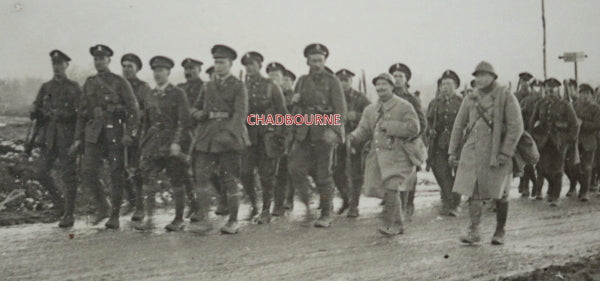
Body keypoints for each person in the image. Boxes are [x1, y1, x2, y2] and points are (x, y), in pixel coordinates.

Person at [448, 61, 524, 245]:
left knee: (500, 194)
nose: (480, 79)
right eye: (477, 76)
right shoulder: (470, 98)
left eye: (484, 75)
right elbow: (459, 125)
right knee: (472, 191)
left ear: (493, 77)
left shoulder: (505, 96)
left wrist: (505, 153)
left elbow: (516, 127)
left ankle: (500, 230)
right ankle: (474, 230)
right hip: (473, 151)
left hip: (496, 153)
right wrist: (452, 151)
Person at [70, 44, 140, 229]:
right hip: (94, 134)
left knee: (116, 174)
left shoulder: (119, 82)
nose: (98, 62)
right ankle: (103, 206)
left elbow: (134, 111)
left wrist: (130, 134)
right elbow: (82, 113)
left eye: (102, 59)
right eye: (96, 59)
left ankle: (114, 215)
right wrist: (78, 138)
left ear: (109, 60)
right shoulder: (90, 83)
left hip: (115, 133)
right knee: (88, 172)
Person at [347, 73, 420, 235]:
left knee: (392, 187)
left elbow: (415, 127)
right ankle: (398, 223)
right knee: (388, 190)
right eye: (378, 85)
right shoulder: (371, 109)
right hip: (378, 156)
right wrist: (352, 137)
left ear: (392, 86)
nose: (380, 87)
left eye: (384, 84)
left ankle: (391, 224)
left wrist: (391, 126)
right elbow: (364, 129)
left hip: (398, 154)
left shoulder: (404, 106)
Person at [188, 44, 250, 234]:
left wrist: (228, 134)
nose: (218, 66)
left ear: (230, 64)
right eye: (216, 62)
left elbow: (241, 114)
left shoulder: (238, 86)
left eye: (222, 62)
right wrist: (199, 114)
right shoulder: (207, 86)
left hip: (229, 138)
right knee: (202, 177)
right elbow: (195, 108)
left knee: (230, 179)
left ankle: (233, 221)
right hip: (207, 137)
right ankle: (205, 220)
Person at [288, 43, 346, 228]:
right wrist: (294, 104)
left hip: (324, 130)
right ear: (307, 61)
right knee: (295, 168)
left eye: (320, 60)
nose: (317, 63)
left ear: (325, 60)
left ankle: (326, 213)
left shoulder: (332, 81)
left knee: (323, 174)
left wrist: (334, 130)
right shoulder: (302, 81)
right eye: (313, 60)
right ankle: (310, 199)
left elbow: (341, 110)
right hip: (304, 130)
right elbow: (296, 107)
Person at [133, 56, 192, 231]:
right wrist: (143, 144)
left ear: (168, 72)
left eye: (161, 71)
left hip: (172, 143)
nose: (157, 74)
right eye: (155, 71)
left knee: (176, 179)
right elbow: (146, 122)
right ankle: (149, 218)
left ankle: (179, 219)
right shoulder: (150, 94)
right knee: (148, 178)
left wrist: (177, 143)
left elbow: (184, 121)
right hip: (153, 144)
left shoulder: (177, 93)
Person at [31, 50, 81, 227]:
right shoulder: (46, 87)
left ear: (66, 66)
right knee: (41, 173)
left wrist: (77, 138)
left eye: (60, 64)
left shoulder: (74, 87)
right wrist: (35, 110)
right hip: (49, 137)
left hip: (67, 137)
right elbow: (36, 105)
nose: (57, 68)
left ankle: (69, 213)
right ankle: (60, 204)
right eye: (54, 64)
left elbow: (81, 114)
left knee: (69, 176)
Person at [240, 52, 287, 223]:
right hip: (247, 136)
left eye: (252, 64)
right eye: (246, 65)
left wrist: (279, 136)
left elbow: (283, 113)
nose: (249, 68)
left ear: (260, 66)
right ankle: (254, 204)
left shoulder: (270, 86)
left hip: (267, 136)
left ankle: (266, 210)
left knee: (266, 174)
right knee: (244, 173)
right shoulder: (241, 87)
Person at [529, 78, 578, 206]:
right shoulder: (540, 104)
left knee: (558, 169)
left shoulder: (565, 104)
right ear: (545, 89)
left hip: (559, 142)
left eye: (554, 87)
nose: (551, 89)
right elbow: (532, 122)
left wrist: (568, 139)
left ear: (557, 89)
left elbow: (575, 124)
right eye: (548, 87)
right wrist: (534, 136)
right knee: (542, 169)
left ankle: (556, 197)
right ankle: (552, 188)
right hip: (544, 142)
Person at [388, 63, 427, 217]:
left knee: (410, 175)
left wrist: (412, 137)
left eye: (400, 76)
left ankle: (409, 203)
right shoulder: (386, 97)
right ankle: (394, 205)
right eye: (395, 76)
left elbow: (422, 123)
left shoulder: (412, 99)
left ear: (406, 79)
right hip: (391, 143)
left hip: (408, 143)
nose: (397, 79)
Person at [333, 69, 370, 217]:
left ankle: (354, 206)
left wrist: (357, 115)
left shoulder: (360, 98)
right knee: (336, 171)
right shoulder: (332, 98)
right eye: (340, 80)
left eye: (346, 80)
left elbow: (373, 114)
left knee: (356, 172)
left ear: (350, 81)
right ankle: (346, 198)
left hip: (356, 139)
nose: (343, 84)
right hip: (337, 138)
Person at [426, 70, 462, 217]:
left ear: (455, 86)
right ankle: (449, 199)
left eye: (448, 84)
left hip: (458, 143)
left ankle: (455, 203)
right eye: (443, 84)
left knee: (458, 173)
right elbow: (428, 122)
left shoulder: (461, 102)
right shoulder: (435, 103)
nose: (445, 87)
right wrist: (430, 131)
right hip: (439, 143)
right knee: (440, 171)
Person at [121, 53, 151, 219]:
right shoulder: (117, 85)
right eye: (124, 66)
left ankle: (140, 207)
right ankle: (131, 202)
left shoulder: (143, 87)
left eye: (130, 66)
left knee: (137, 170)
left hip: (138, 132)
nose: (126, 69)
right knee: (121, 169)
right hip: (119, 132)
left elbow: (148, 110)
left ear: (137, 69)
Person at [564, 84, 600, 202]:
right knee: (571, 166)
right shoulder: (574, 106)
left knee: (587, 167)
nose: (584, 96)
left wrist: (582, 123)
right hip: (575, 141)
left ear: (591, 95)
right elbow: (569, 121)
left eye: (587, 94)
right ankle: (573, 187)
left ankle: (584, 192)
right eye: (582, 93)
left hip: (589, 142)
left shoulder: (596, 109)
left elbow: (597, 124)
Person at [518, 78, 543, 199]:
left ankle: (537, 187)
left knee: (540, 165)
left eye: (539, 88)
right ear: (531, 89)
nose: (537, 91)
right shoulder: (526, 101)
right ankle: (527, 187)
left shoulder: (545, 102)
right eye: (535, 88)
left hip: (543, 136)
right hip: (528, 135)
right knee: (527, 163)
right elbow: (519, 117)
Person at [276, 68, 297, 213]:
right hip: (278, 135)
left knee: (290, 169)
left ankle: (289, 199)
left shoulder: (296, 97)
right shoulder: (275, 96)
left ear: (292, 82)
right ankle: (279, 201)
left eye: (287, 80)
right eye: (282, 79)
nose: (284, 83)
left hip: (294, 136)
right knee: (279, 170)